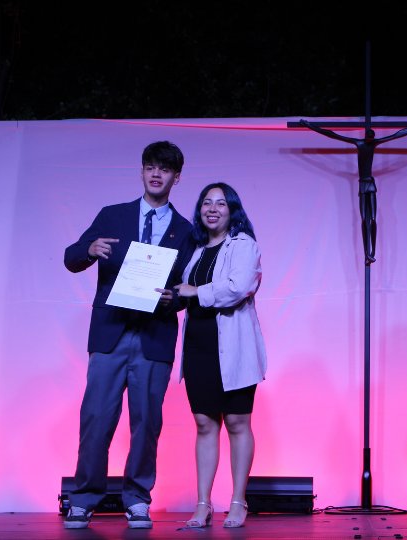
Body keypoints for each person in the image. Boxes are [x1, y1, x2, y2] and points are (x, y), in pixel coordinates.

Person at [62, 141, 194, 529]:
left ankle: (137, 497)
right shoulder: (113, 215)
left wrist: (174, 299)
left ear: (176, 177)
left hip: (154, 336)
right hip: (111, 334)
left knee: (147, 423)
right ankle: (84, 497)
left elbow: (188, 288)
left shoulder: (187, 231)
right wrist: (89, 248)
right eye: (150, 167)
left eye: (164, 169)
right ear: (141, 171)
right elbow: (71, 258)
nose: (156, 174)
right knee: (96, 417)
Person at [173, 182, 266, 529]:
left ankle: (239, 501)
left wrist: (194, 291)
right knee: (204, 424)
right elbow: (184, 292)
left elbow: (237, 288)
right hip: (199, 344)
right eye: (206, 203)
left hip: (234, 347)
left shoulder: (244, 245)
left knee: (238, 423)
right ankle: (203, 504)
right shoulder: (196, 249)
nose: (212, 209)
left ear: (232, 211)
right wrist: (173, 296)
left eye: (221, 203)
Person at [298, 118, 407, 264]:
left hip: (370, 183)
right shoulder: (359, 143)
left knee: (373, 219)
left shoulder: (374, 143)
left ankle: (372, 253)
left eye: (372, 139)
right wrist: (309, 125)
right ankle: (367, 254)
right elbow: (332, 134)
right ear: (366, 137)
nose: (370, 141)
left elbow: (399, 134)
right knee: (364, 219)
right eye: (369, 139)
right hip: (362, 184)